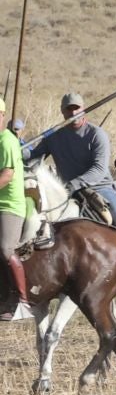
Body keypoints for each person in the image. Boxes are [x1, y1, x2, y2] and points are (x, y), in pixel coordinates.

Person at [28, 91, 116, 242]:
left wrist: (73, 184)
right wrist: (17, 148)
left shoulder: (97, 134)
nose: (73, 112)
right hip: (67, 192)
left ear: (83, 109)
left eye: (76, 108)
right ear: (62, 111)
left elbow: (99, 169)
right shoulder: (53, 137)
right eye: (69, 109)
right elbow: (33, 157)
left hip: (99, 188)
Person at [0, 92, 31, 320]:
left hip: (9, 204)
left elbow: (7, 175)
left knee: (5, 249)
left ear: (2, 116)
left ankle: (22, 301)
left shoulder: (8, 141)